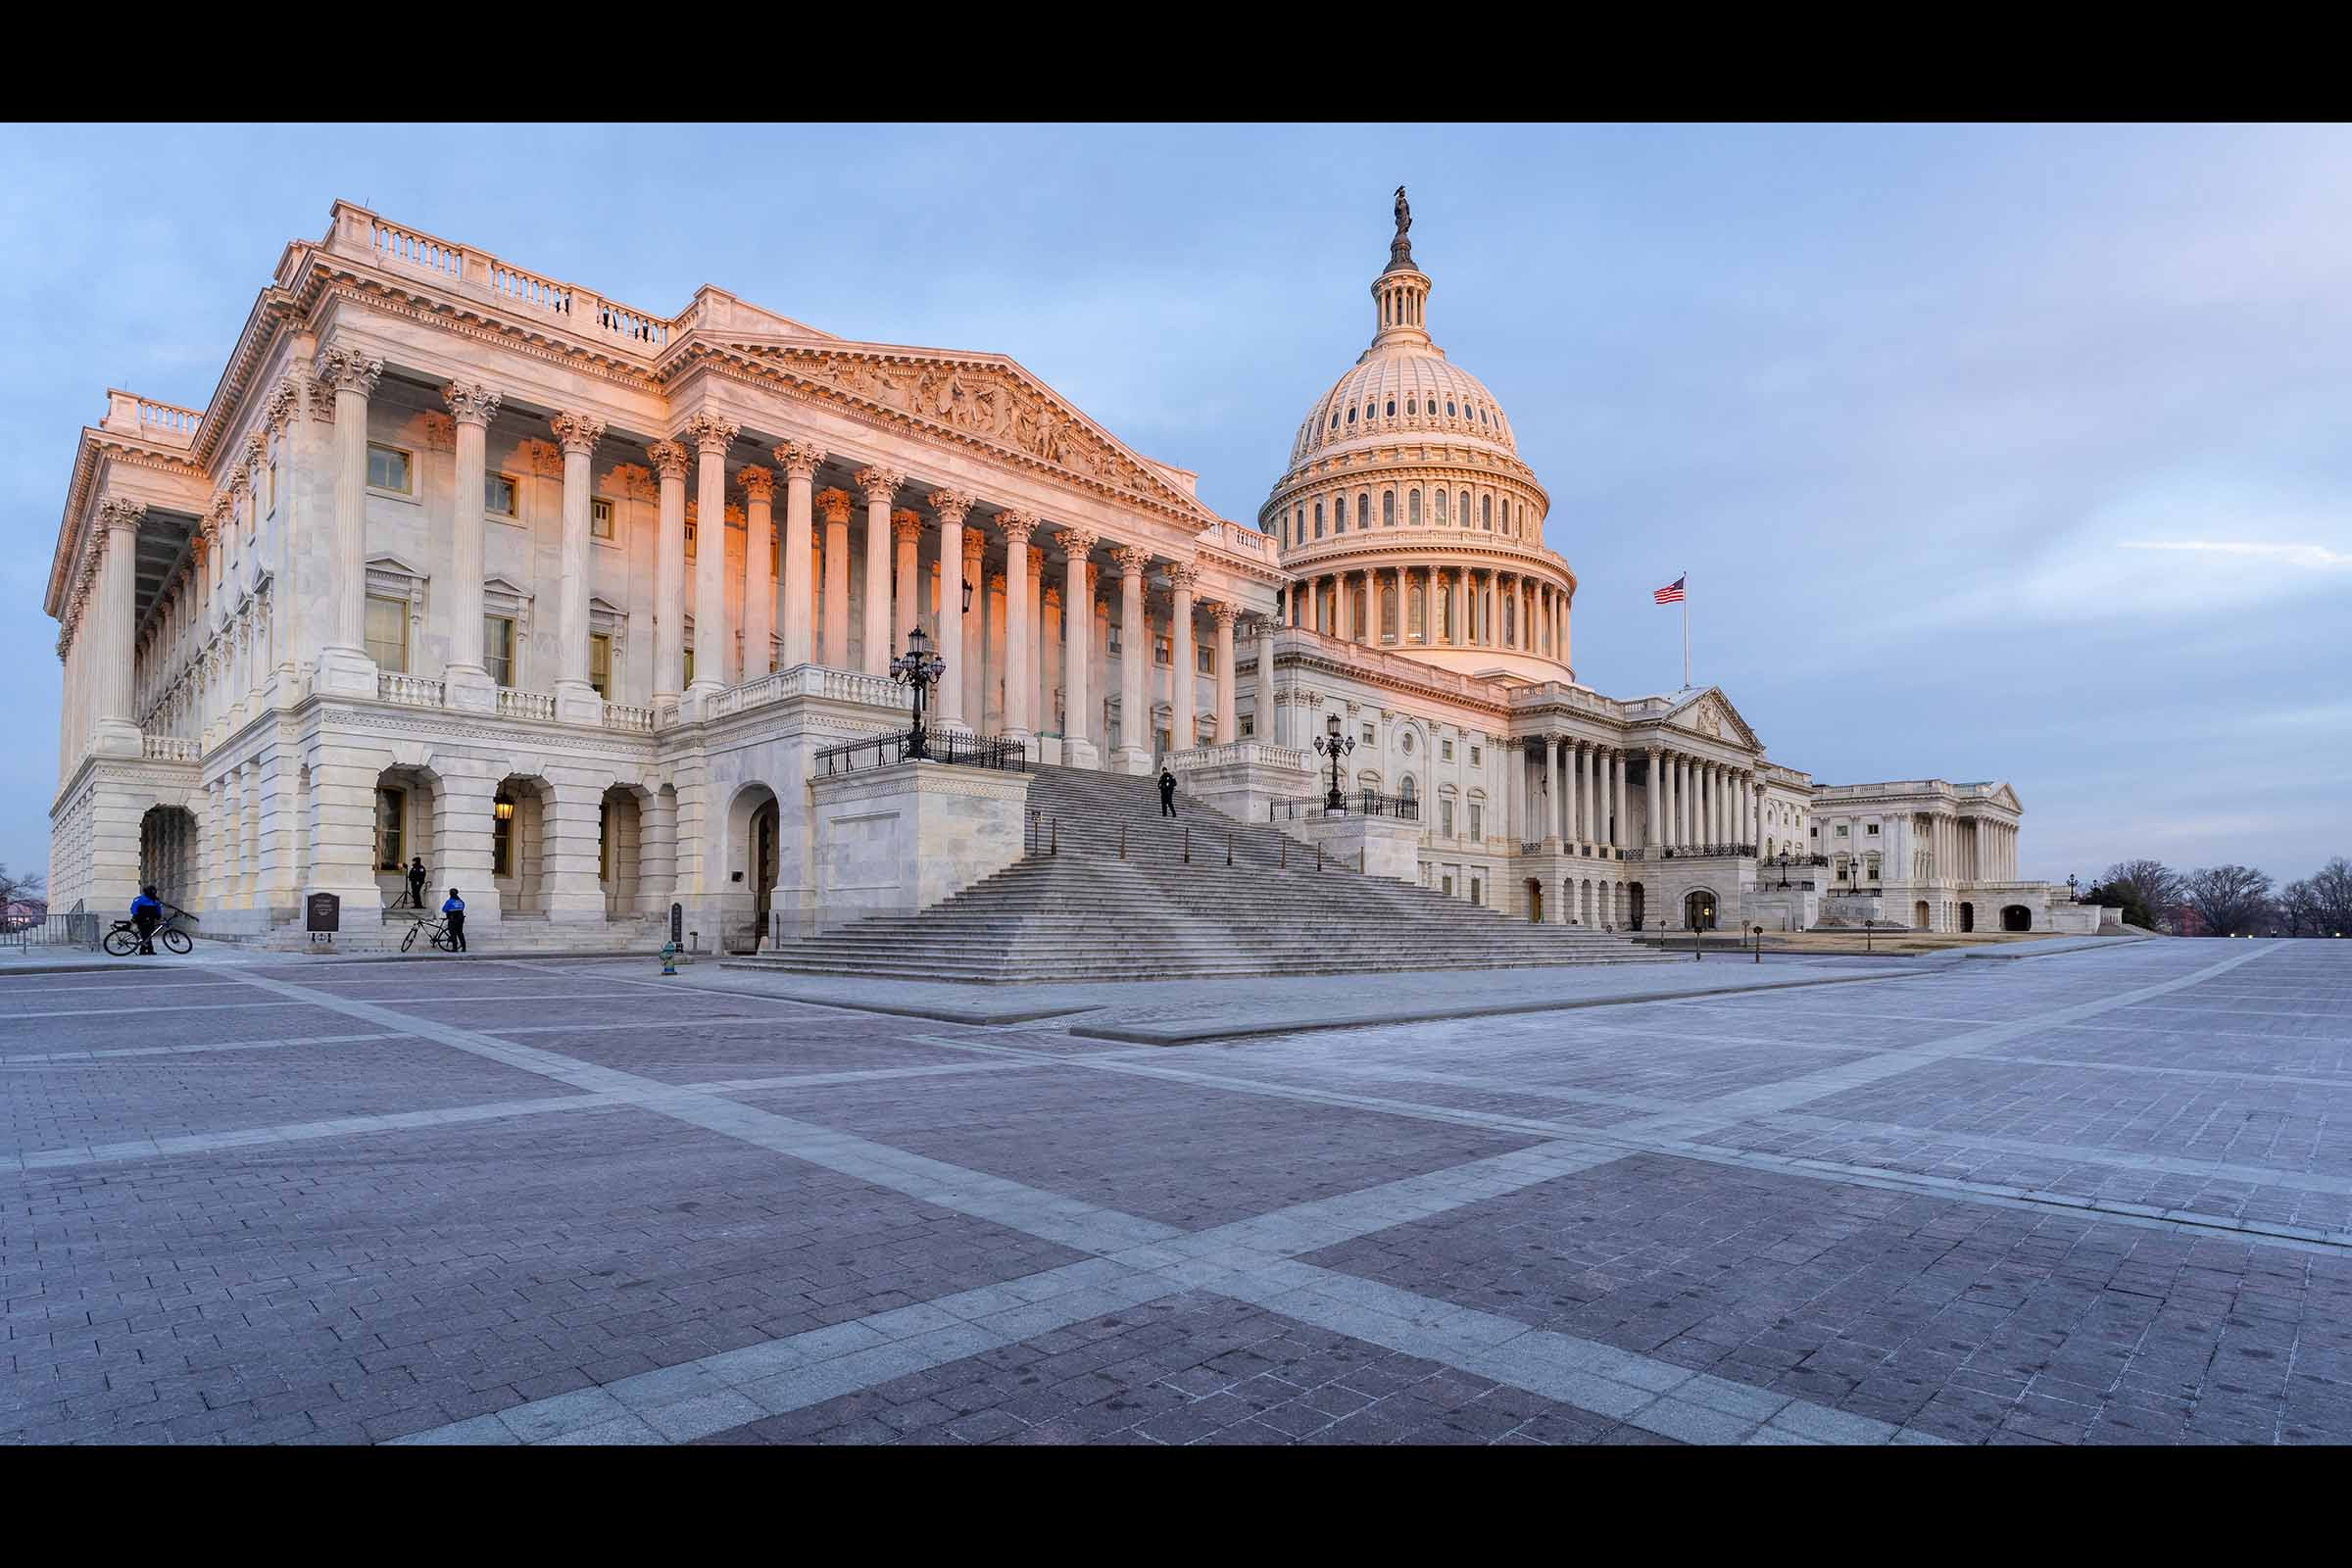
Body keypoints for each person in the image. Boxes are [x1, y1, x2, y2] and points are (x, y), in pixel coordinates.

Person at [129, 885, 163, 956]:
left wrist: (158, 915)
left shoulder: (155, 900)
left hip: (151, 919)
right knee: (146, 934)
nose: (153, 893)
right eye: (152, 892)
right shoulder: (140, 898)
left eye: (154, 892)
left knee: (149, 934)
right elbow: (133, 907)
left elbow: (158, 908)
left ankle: (143, 950)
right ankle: (150, 950)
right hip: (141, 919)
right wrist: (136, 915)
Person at [441, 888, 467, 953]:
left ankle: (455, 948)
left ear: (450, 894)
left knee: (453, 934)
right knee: (460, 933)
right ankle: (464, 948)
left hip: (453, 919)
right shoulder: (461, 901)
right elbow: (463, 907)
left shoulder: (450, 901)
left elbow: (444, 909)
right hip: (461, 919)